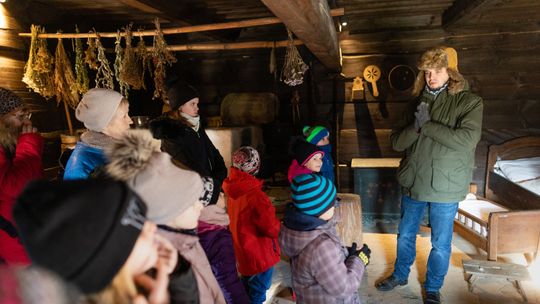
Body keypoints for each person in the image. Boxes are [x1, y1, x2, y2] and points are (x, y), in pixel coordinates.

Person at [376, 46, 483, 304]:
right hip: (415, 179)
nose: (431, 77)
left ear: (452, 72)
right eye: (427, 72)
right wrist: (416, 126)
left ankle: (433, 287)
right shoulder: (416, 103)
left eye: (437, 70)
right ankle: (401, 274)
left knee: (441, 243)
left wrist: (428, 126)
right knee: (405, 234)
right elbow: (397, 143)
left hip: (445, 184)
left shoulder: (470, 102)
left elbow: (466, 140)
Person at [150, 80, 249, 303]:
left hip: (210, 195)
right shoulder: (173, 138)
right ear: (179, 108)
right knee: (220, 261)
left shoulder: (196, 129)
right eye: (192, 104)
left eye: (197, 103)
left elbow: (217, 161)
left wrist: (216, 181)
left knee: (223, 262)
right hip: (197, 204)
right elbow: (189, 176)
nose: (197, 108)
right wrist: (213, 190)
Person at [106, 129, 226, 304]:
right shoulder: (163, 260)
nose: (201, 206)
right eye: (193, 201)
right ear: (168, 210)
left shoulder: (186, 238)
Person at [14, 179, 177, 304]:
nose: (153, 227)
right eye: (138, 230)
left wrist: (173, 276)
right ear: (106, 265)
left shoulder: (143, 284)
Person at [279, 173, 370, 304]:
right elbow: (344, 288)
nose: (335, 206)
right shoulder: (321, 247)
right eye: (332, 203)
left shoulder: (295, 230)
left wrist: (345, 255)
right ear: (319, 209)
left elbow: (320, 265)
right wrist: (359, 260)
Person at [222, 146, 281, 304]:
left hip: (243, 253)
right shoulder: (257, 196)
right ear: (256, 167)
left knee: (245, 289)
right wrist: (278, 226)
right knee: (257, 293)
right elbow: (270, 228)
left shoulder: (233, 190)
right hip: (260, 256)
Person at [0, 87, 43, 265]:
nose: (26, 122)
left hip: (23, 229)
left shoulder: (9, 143)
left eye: (27, 116)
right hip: (11, 236)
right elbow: (14, 188)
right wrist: (29, 146)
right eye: (20, 116)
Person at [63, 88, 133, 180]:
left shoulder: (116, 149)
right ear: (105, 124)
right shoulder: (81, 170)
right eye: (124, 116)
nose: (130, 121)